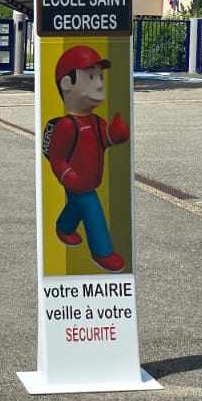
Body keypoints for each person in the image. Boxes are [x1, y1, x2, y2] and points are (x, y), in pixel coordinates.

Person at [42, 44, 130, 272]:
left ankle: (64, 227)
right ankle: (103, 252)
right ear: (67, 84)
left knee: (75, 206)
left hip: (88, 181)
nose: (100, 83)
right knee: (91, 209)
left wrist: (116, 135)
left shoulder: (96, 122)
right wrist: (67, 176)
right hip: (78, 182)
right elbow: (56, 157)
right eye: (91, 76)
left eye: (99, 77)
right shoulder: (66, 126)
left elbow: (105, 140)